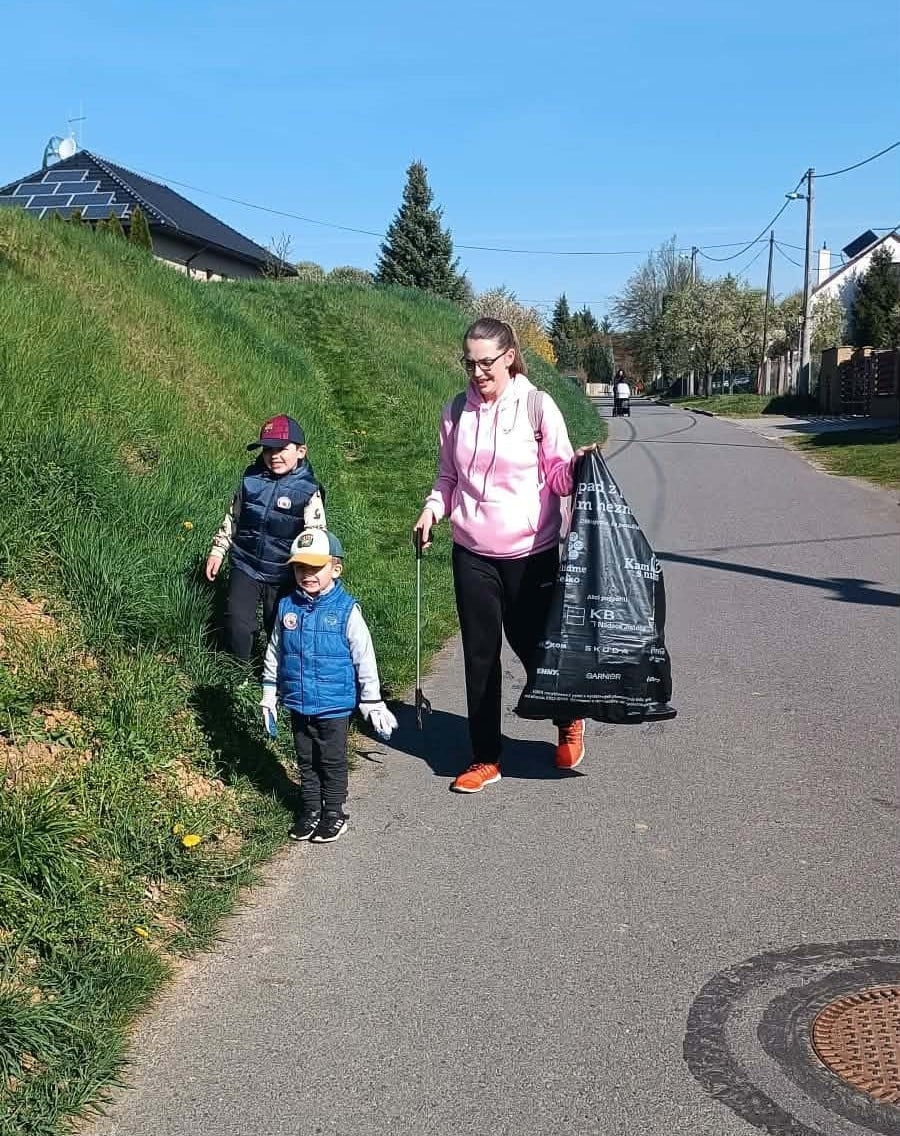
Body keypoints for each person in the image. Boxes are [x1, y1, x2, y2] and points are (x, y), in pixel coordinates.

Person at [413, 318, 600, 793]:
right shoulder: (456, 411)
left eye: (486, 363)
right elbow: (448, 477)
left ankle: (568, 715)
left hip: (530, 552)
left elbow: (557, 475)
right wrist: (432, 510)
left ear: (510, 356)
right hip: (471, 551)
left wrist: (578, 466)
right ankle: (485, 757)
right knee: (479, 656)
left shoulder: (537, 406)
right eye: (469, 364)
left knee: (534, 646)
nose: (477, 373)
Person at [260, 528, 398, 842]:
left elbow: (364, 656)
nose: (307, 574)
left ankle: (334, 813)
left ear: (335, 569)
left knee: (331, 760)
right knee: (306, 759)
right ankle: (311, 810)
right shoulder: (287, 607)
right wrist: (269, 693)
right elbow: (274, 650)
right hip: (299, 701)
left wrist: (372, 700)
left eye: (315, 567)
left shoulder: (346, 610)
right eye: (300, 567)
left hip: (334, 704)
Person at [205, 415, 326, 660]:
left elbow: (315, 535)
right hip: (246, 563)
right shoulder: (251, 480)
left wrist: (313, 571)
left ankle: (277, 673)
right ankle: (238, 670)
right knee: (237, 621)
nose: (274, 455)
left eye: (281, 449)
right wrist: (218, 550)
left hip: (283, 573)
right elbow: (233, 517)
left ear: (301, 451)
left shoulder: (308, 490)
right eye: (268, 449)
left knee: (279, 626)